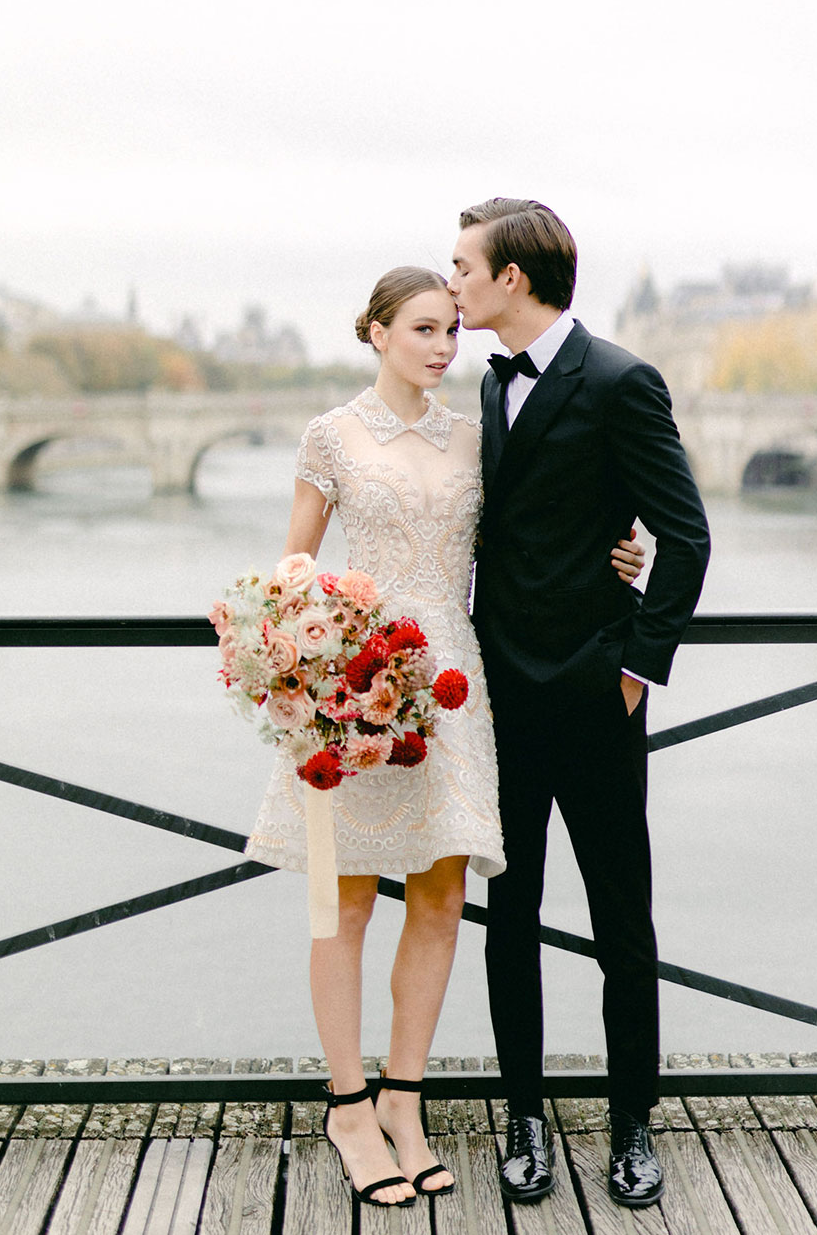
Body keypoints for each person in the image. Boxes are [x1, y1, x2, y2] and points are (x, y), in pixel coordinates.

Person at [243, 265, 646, 1209]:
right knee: (341, 906)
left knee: (437, 898)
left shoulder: (478, 438)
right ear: (376, 332)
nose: (442, 346)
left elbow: (546, 530)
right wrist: (312, 663)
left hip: (453, 685)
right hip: (349, 680)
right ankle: (348, 1107)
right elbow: (292, 567)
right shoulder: (329, 437)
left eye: (451, 331)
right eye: (423, 328)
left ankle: (404, 1100)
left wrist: (633, 551)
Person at [448, 199, 711, 1209]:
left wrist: (639, 664)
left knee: (620, 923)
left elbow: (681, 533)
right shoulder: (483, 386)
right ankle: (521, 1115)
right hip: (498, 695)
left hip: (598, 695)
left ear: (512, 278)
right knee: (507, 915)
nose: (455, 280)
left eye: (463, 265)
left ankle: (633, 1124)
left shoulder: (618, 380)